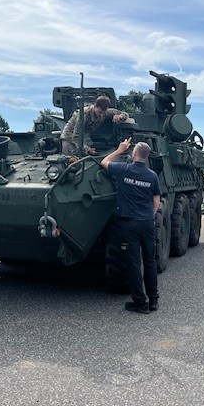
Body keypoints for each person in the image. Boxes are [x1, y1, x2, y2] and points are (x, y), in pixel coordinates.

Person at [102, 139, 161, 314]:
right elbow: (156, 199)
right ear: (147, 156)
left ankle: (140, 302)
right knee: (150, 260)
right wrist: (149, 215)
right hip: (147, 222)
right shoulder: (152, 176)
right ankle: (154, 300)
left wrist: (120, 149)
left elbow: (104, 162)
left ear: (134, 154)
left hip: (129, 223)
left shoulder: (123, 169)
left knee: (134, 262)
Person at [60, 95, 128, 156]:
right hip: (69, 137)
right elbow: (75, 137)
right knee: (71, 159)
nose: (101, 115)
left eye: (103, 113)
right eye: (100, 112)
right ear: (95, 106)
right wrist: (88, 149)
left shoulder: (105, 112)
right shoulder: (83, 115)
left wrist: (119, 116)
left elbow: (125, 114)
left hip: (84, 135)